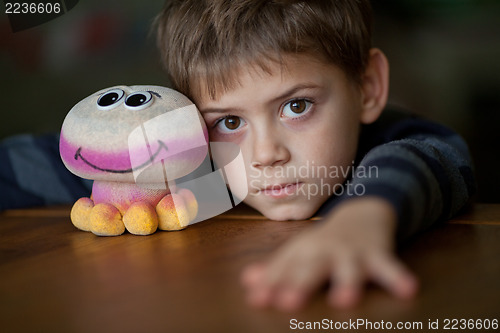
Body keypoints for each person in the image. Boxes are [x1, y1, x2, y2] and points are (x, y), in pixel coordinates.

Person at [154, 0, 475, 312]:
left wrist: (363, 217)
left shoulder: (394, 141)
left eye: (297, 106)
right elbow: (166, 197)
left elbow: (436, 159)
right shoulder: (225, 177)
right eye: (230, 122)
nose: (266, 155)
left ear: (367, 87)